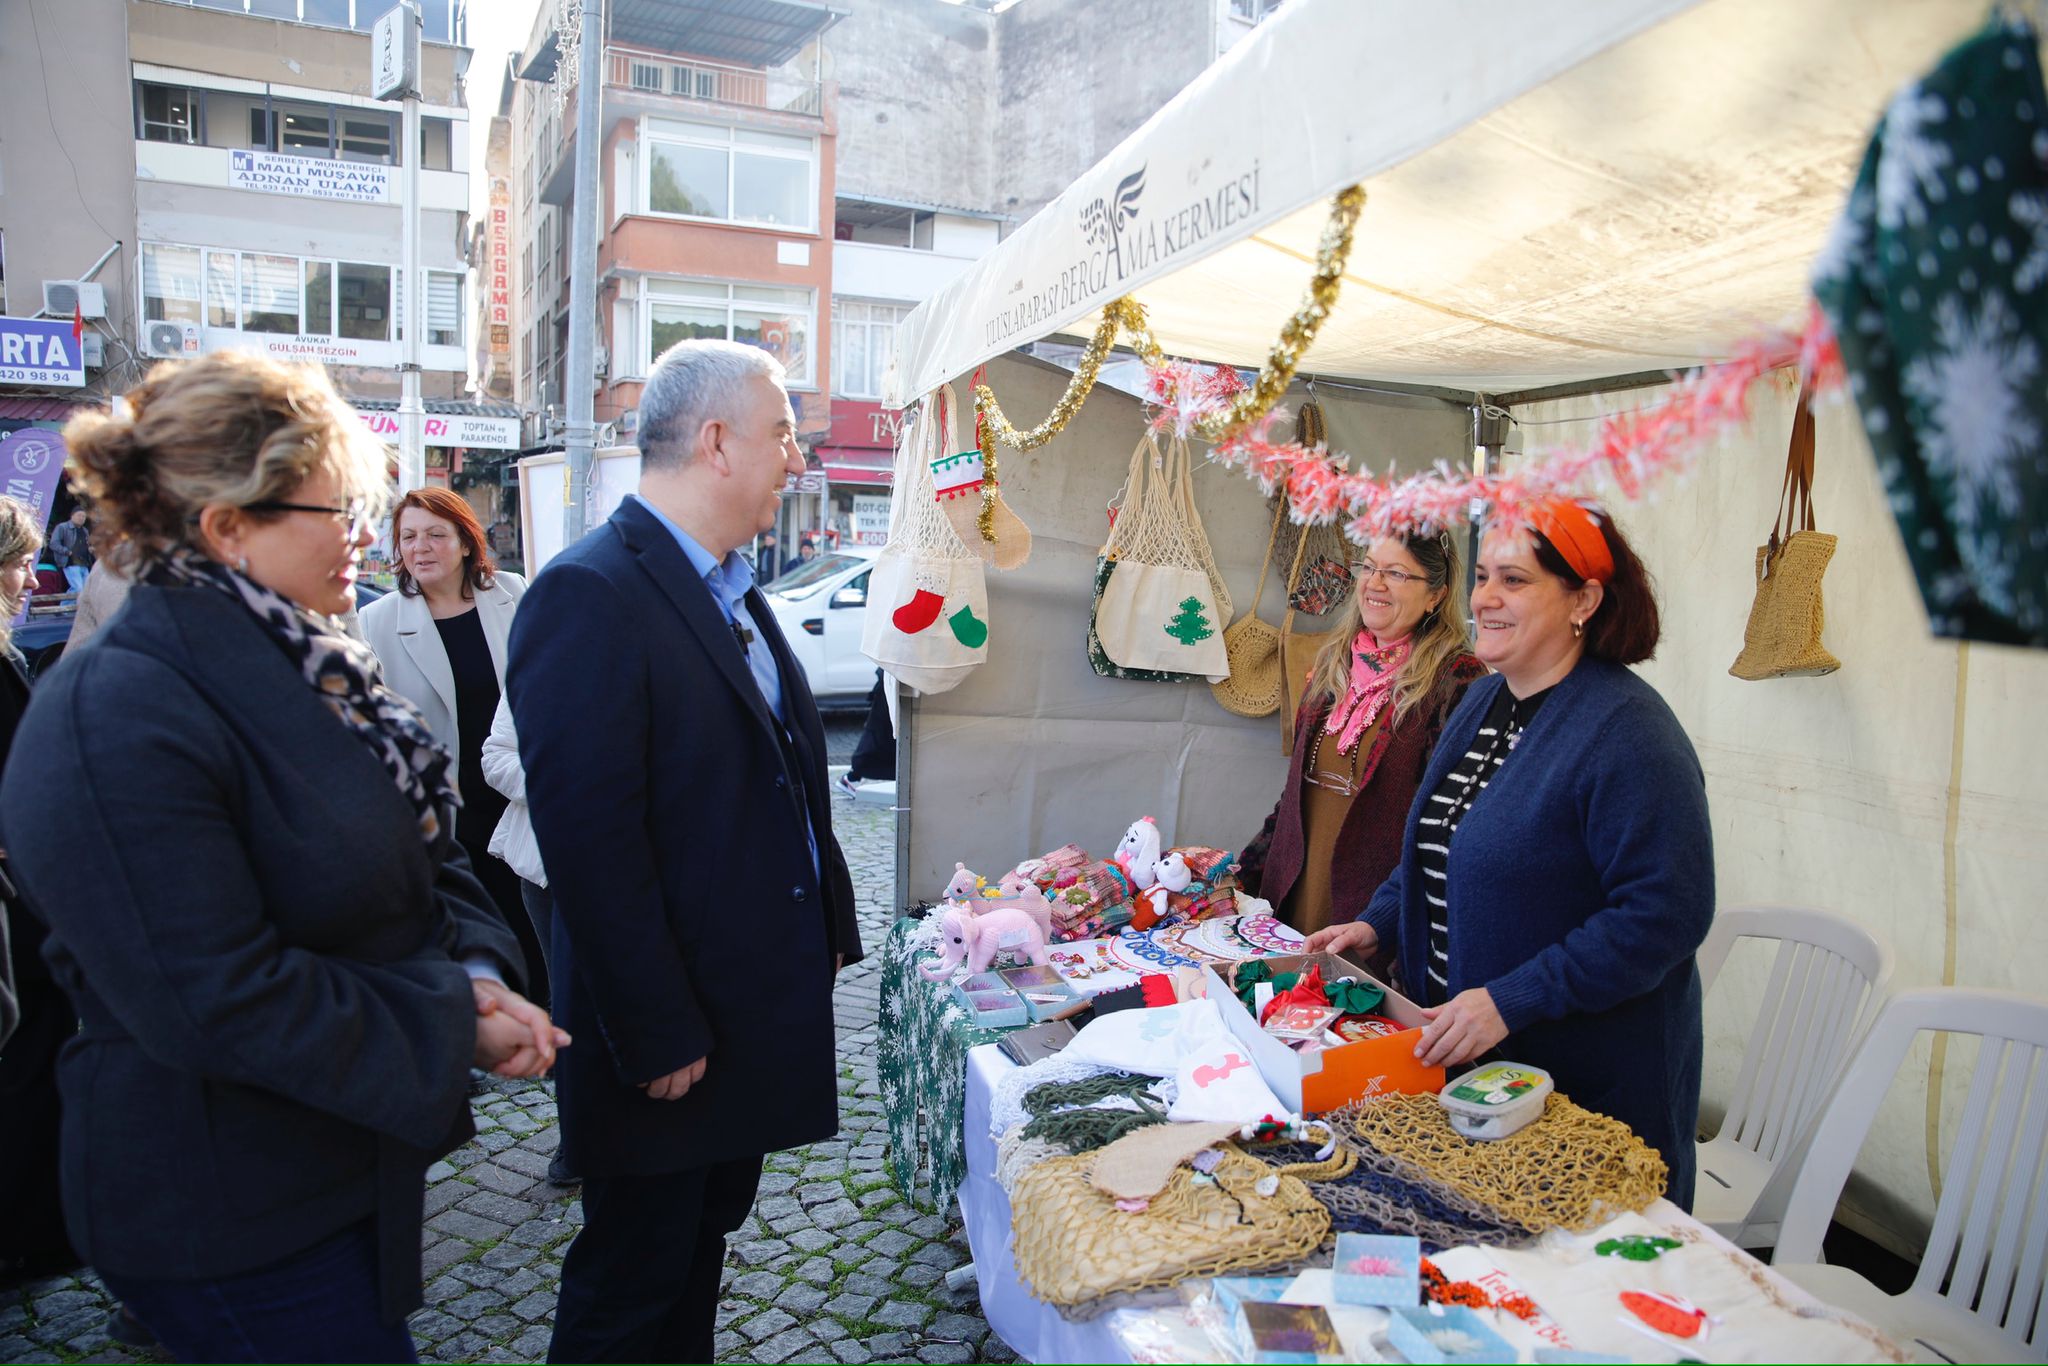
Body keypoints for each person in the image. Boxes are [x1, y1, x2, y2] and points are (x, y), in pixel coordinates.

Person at [0, 352, 566, 1363]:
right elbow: (211, 994)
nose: (362, 534)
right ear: (227, 526)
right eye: (333, 508)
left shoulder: (313, 665)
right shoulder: (114, 710)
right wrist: (450, 1024)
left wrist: (478, 970)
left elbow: (428, 859)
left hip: (334, 1161)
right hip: (220, 1199)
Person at [510, 339, 864, 1363]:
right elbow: (590, 840)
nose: (795, 458)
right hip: (668, 1036)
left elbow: (786, 771)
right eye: (784, 433)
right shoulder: (591, 594)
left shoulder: (731, 589)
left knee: (692, 1253)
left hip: (736, 1013)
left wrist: (827, 923)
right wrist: (656, 1027)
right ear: (715, 441)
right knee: (631, 1277)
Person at [1306, 499, 1713, 1207]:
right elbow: (1444, 846)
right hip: (1471, 1078)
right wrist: (1379, 920)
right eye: (1484, 576)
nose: (1485, 598)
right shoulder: (1482, 701)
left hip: (1581, 1092)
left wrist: (1509, 1000)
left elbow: (1664, 913)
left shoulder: (1630, 733)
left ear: (1583, 599)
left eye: (1515, 581)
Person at [1238, 532, 1484, 942]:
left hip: (1373, 919)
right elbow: (1294, 800)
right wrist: (1241, 877)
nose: (1375, 583)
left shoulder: (1456, 680)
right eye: (1369, 567)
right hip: (1291, 900)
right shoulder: (1334, 662)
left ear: (1436, 595)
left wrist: (1384, 920)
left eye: (1396, 573)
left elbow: (1447, 827)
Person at [361, 488, 546, 1009]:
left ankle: (537, 1018)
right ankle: (475, 1023)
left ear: (466, 542)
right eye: (409, 537)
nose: (421, 548)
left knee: (527, 916)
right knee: (461, 922)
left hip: (512, 791)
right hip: (443, 802)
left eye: (436, 534)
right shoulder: (377, 621)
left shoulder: (512, 594)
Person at [0, 496, 74, 1283]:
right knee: (22, 1058)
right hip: (11, 907)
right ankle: (26, 1233)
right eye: (19, 563)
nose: (30, 579)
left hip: (21, 899)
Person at [478, 695, 577, 1188]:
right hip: (548, 868)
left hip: (643, 861)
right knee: (569, 1001)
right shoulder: (535, 657)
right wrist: (560, 786)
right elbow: (495, 756)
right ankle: (579, 1137)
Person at [838, 668, 896, 797]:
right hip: (894, 674)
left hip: (894, 673)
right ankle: (854, 777)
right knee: (883, 730)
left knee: (884, 730)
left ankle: (855, 776)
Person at [48, 508, 92, 592]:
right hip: (70, 563)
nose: (81, 518)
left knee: (86, 591)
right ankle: (64, 605)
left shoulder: (85, 530)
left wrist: (89, 549)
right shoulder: (62, 527)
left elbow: (84, 545)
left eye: (84, 516)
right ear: (72, 516)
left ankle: (69, 605)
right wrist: (67, 551)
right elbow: (53, 544)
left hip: (84, 564)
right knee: (78, 588)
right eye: (79, 515)